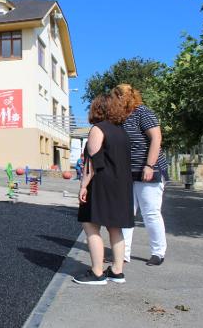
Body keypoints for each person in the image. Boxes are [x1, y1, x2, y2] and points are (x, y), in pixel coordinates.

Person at [73, 94, 134, 285]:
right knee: (115, 227)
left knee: (91, 225)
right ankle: (117, 271)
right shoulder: (121, 131)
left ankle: (97, 273)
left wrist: (83, 186)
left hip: (102, 184)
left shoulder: (98, 129)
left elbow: (92, 162)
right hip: (122, 185)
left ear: (97, 109)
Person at [113, 84, 168, 266]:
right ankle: (124, 253)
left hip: (148, 170)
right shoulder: (120, 117)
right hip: (127, 173)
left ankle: (158, 252)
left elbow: (156, 138)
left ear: (127, 97)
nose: (115, 101)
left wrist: (149, 165)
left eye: (117, 98)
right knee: (127, 213)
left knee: (150, 213)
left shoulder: (142, 112)